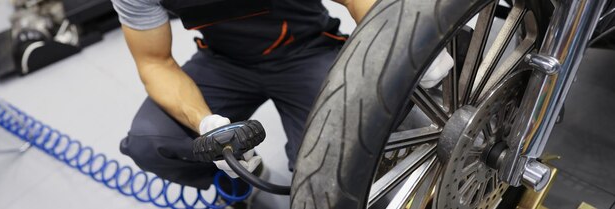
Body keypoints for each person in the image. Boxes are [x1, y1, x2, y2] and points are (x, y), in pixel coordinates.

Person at [110, 0, 452, 205]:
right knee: (149, 142)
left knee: (327, 169)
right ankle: (244, 178)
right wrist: (206, 125)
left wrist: (402, 40)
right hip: (225, 61)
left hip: (307, 51)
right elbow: (154, 62)